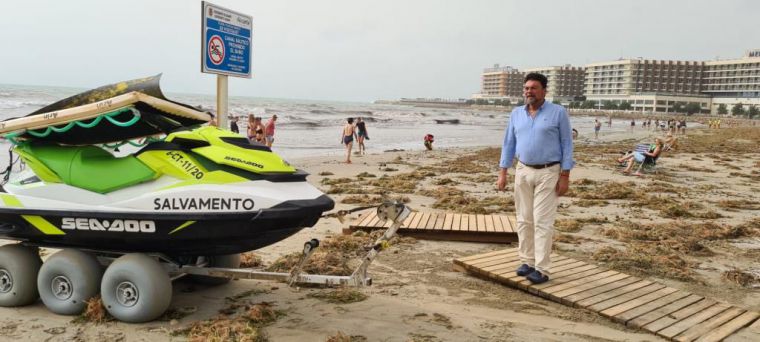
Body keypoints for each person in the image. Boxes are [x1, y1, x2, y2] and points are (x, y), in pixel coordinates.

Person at [497, 73, 574, 285]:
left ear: (544, 91)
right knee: (524, 219)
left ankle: (542, 268)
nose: (529, 91)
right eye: (526, 88)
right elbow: (508, 144)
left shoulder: (558, 112)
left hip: (549, 172)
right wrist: (503, 171)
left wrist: (565, 175)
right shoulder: (516, 114)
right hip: (522, 171)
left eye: (533, 88)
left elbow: (567, 144)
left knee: (542, 222)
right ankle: (527, 261)